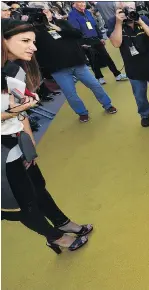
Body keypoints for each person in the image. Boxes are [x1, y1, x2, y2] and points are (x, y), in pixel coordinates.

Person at [1, 18, 92, 254]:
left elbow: (20, 114)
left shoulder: (15, 69)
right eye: (25, 41)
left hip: (16, 141)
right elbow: (13, 111)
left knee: (38, 187)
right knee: (23, 205)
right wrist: (12, 111)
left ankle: (63, 222)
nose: (33, 46)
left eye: (32, 40)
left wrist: (29, 143)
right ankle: (55, 237)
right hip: (3, 154)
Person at [33, 4, 117, 123]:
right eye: (41, 13)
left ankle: (107, 105)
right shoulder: (36, 31)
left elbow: (77, 34)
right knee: (70, 94)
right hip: (58, 69)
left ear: (51, 12)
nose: (44, 14)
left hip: (77, 63)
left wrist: (59, 29)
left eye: (46, 11)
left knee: (95, 85)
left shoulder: (62, 23)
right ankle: (82, 112)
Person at [68, 1, 127, 85]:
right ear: (75, 4)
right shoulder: (72, 15)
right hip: (85, 40)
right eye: (80, 2)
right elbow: (75, 31)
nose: (83, 4)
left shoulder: (87, 12)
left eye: (83, 2)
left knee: (106, 56)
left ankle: (117, 74)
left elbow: (95, 25)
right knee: (93, 59)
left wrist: (100, 37)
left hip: (95, 38)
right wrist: (82, 43)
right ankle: (99, 77)